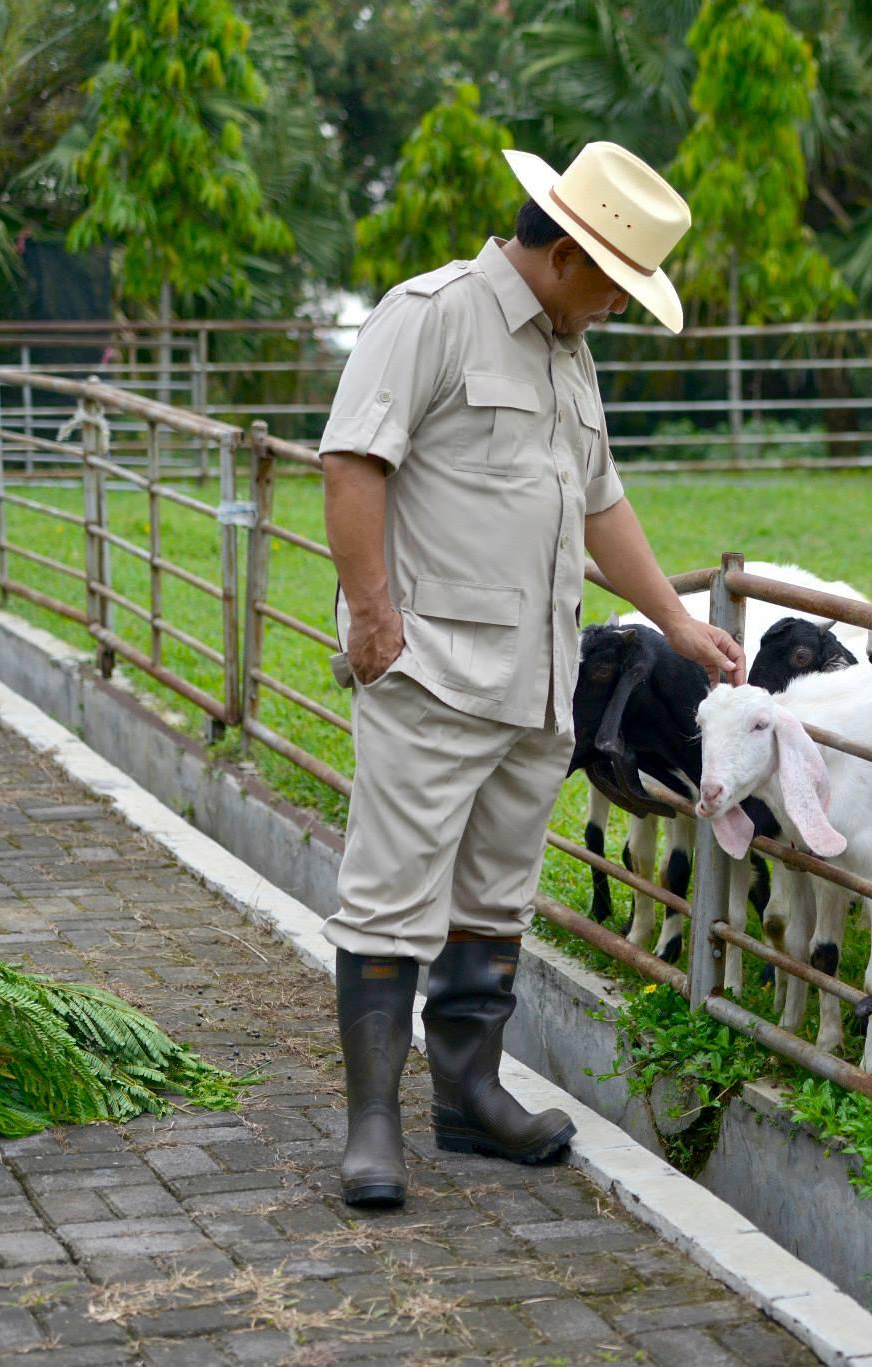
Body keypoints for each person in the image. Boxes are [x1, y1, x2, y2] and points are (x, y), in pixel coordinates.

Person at [316, 142, 742, 1208]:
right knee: (390, 894)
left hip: (536, 687)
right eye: (612, 286)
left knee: (493, 896)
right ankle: (373, 1122)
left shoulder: (567, 349)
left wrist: (677, 623)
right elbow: (352, 460)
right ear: (562, 253)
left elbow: (600, 504)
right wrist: (372, 615)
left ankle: (467, 1095)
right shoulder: (431, 316)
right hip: (434, 671)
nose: (614, 308)